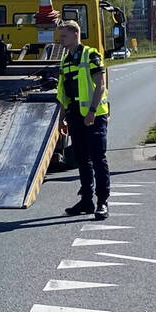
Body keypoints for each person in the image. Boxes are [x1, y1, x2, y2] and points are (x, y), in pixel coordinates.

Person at [56, 20, 110, 220]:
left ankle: (102, 201)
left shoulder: (91, 55)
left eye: (64, 36)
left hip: (93, 116)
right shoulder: (65, 60)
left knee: (98, 157)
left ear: (75, 34)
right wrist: (61, 120)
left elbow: (100, 85)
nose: (60, 40)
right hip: (75, 116)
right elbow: (63, 94)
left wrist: (92, 112)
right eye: (60, 36)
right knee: (81, 159)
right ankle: (86, 199)